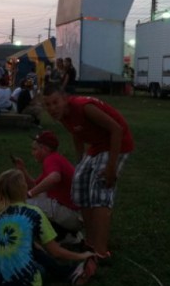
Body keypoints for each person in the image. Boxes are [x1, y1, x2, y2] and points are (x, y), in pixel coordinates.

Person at [42, 84, 134, 259]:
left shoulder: (83, 107)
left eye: (55, 102)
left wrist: (111, 168)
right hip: (96, 146)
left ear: (65, 99)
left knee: (100, 190)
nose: (52, 108)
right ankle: (90, 242)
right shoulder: (63, 116)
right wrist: (79, 162)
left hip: (117, 143)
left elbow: (117, 130)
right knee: (79, 182)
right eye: (48, 105)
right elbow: (76, 133)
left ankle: (100, 252)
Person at [0, 169, 97, 286]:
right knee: (42, 269)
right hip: (26, 282)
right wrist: (82, 256)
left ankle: (68, 272)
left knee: (30, 248)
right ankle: (71, 272)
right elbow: (56, 252)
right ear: (22, 188)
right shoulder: (33, 213)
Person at [12, 131, 83, 241]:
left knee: (19, 205)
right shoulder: (55, 158)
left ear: (44, 149)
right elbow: (36, 185)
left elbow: (55, 177)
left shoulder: (51, 159)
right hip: (76, 215)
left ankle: (22, 236)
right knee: (37, 196)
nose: (32, 153)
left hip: (72, 214)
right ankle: (65, 235)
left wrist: (30, 194)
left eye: (35, 149)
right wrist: (22, 169)